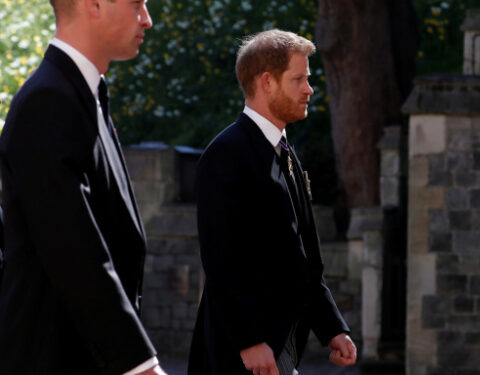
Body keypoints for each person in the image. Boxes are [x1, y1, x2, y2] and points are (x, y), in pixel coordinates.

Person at [0, 0, 167, 374]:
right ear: (94, 4)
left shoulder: (83, 95)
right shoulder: (47, 101)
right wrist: (140, 364)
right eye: (136, 4)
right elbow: (73, 250)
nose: (147, 19)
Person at [188, 29, 357, 375]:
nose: (309, 89)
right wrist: (248, 341)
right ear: (267, 82)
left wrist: (332, 327)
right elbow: (221, 261)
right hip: (241, 357)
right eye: (299, 79)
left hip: (281, 348)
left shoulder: (286, 151)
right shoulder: (226, 154)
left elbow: (304, 256)